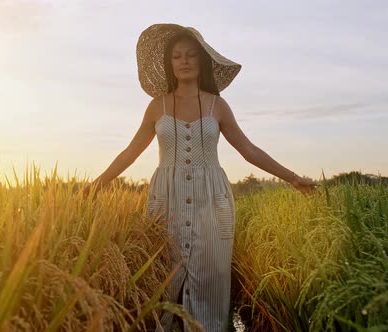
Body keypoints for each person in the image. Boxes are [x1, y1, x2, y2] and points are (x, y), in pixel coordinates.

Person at [83, 23, 318, 331]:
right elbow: (130, 153)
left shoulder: (217, 105)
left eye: (191, 55)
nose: (184, 61)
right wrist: (97, 184)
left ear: (202, 61)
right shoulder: (157, 107)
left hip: (212, 199)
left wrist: (292, 177)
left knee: (212, 274)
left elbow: (249, 150)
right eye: (177, 56)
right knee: (165, 274)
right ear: (170, 63)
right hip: (166, 200)